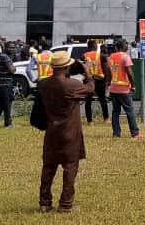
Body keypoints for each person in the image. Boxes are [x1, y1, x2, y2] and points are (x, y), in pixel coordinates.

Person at [37, 50, 95, 213]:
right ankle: (66, 203)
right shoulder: (72, 85)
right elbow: (90, 89)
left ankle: (44, 202)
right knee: (70, 167)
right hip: (69, 133)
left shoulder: (43, 84)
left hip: (51, 132)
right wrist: (87, 71)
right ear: (65, 68)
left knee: (48, 167)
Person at [107, 40, 142, 139]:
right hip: (124, 89)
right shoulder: (125, 57)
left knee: (115, 112)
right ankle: (135, 133)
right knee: (129, 111)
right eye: (126, 45)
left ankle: (116, 134)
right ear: (122, 46)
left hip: (113, 88)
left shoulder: (111, 57)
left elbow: (110, 73)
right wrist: (133, 85)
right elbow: (130, 73)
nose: (128, 47)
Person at [82, 41, 109, 125]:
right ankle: (106, 119)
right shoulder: (101, 55)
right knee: (102, 99)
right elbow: (106, 68)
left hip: (89, 80)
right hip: (99, 79)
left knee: (88, 100)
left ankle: (90, 121)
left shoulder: (84, 56)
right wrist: (107, 80)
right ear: (95, 46)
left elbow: (83, 69)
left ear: (88, 47)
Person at [0, 45, 16, 128]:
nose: (12, 49)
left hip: (0, 84)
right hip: (6, 84)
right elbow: (11, 70)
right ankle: (8, 123)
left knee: (1, 104)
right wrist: (14, 68)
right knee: (7, 104)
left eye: (13, 48)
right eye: (10, 47)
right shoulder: (5, 57)